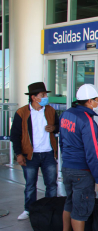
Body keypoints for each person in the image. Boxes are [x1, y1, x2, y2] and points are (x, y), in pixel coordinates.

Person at [56, 84, 98, 231]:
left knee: (69, 202)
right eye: (97, 100)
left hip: (68, 167)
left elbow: (62, 141)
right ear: (90, 101)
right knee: (81, 206)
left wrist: (67, 161)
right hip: (82, 172)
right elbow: (92, 153)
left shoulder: (66, 115)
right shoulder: (87, 121)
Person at [10, 82, 59, 220]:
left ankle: (51, 208)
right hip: (30, 154)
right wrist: (18, 154)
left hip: (48, 153)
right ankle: (29, 209)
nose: (46, 97)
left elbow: (58, 126)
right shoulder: (22, 112)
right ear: (34, 97)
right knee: (30, 184)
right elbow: (15, 135)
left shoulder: (50, 110)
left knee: (51, 184)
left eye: (45, 94)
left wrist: (54, 128)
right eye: (42, 95)